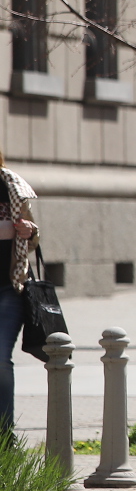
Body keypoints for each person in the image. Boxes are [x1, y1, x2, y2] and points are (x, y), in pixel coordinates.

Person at [0, 151, 40, 441]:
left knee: (0, 357)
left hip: (9, 289)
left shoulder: (12, 188)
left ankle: (5, 435)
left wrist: (29, 231)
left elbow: (34, 237)